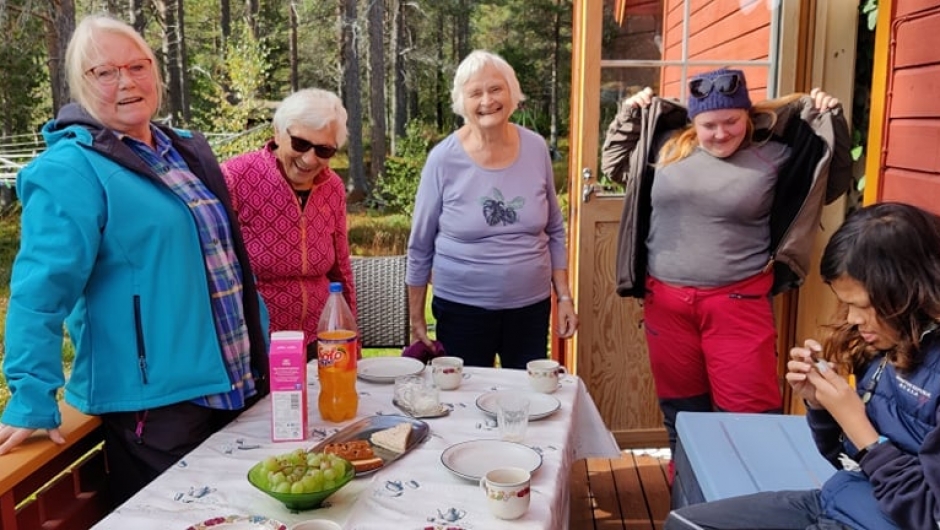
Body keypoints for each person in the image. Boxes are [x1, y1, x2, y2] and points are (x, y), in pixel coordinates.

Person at [0, 14, 269, 507]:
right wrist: (32, 394)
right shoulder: (70, 170)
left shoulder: (182, 151)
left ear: (156, 73)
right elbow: (40, 293)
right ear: (80, 86)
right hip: (158, 404)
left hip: (234, 378)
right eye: (104, 72)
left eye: (137, 66)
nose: (126, 81)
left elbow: (221, 261)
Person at [601, 68, 854, 468]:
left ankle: (740, 509)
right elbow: (615, 166)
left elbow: (835, 182)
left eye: (731, 121)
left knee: (749, 421)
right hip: (665, 304)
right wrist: (630, 116)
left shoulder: (776, 155)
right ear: (694, 122)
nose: (721, 134)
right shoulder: (665, 146)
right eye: (709, 125)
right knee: (683, 416)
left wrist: (832, 120)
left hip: (738, 303)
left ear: (747, 115)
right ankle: (688, 503)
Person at [664, 201, 940, 530]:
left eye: (861, 305)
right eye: (846, 304)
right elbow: (845, 459)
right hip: (841, 499)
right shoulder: (889, 343)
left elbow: (929, 515)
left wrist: (858, 426)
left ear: (908, 291)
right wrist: (820, 405)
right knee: (686, 524)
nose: (852, 319)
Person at [406, 50, 578, 369]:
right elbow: (419, 245)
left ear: (512, 93)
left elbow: (554, 229)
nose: (487, 100)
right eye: (475, 92)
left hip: (530, 309)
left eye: (496, 88)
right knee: (465, 404)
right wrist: (416, 316)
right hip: (461, 311)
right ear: (462, 102)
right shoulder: (443, 159)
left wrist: (564, 297)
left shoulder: (536, 147)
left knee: (526, 405)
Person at [221, 88, 356, 360]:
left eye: (324, 150)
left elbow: (341, 270)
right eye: (301, 144)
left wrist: (353, 343)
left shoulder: (333, 188)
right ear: (278, 132)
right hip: (255, 343)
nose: (309, 159)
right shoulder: (234, 178)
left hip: (319, 342)